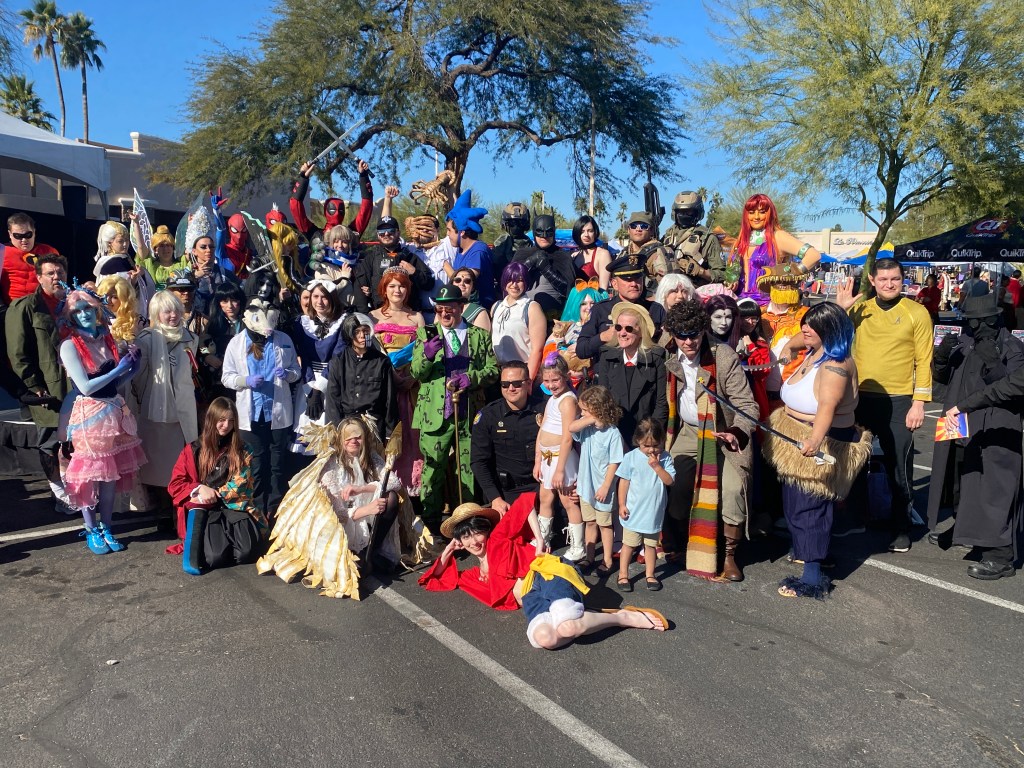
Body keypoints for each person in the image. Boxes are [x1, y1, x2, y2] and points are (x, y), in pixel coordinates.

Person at [418, 494, 667, 648]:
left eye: (476, 533)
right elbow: (436, 579)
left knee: (568, 624)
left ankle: (622, 617)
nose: (474, 542)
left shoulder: (499, 540)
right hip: (532, 597)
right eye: (466, 538)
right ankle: (585, 617)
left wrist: (539, 539)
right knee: (545, 639)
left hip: (546, 574)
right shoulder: (475, 576)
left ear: (487, 530)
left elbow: (525, 503)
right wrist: (449, 549)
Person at [762, 303, 870, 598]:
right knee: (794, 503)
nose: (805, 329)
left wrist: (814, 440)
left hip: (821, 438)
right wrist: (790, 349)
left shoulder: (835, 366)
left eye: (813, 326)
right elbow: (798, 338)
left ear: (830, 331)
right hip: (794, 433)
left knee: (810, 507)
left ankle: (812, 577)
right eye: (805, 323)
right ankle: (811, 553)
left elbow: (826, 408)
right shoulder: (815, 347)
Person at [837, 258, 932, 553]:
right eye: (883, 279)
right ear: (872, 279)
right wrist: (841, 309)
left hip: (899, 401)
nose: (889, 284)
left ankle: (901, 527)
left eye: (895, 279)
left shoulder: (917, 313)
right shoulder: (860, 309)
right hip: (859, 398)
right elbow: (832, 336)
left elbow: (924, 360)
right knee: (853, 462)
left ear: (903, 279)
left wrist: (919, 403)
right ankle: (854, 518)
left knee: (898, 467)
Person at [927, 293, 1023, 580]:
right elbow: (943, 379)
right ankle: (966, 531)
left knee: (996, 487)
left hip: (996, 425)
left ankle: (1000, 555)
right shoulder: (967, 342)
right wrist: (942, 356)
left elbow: (1013, 387)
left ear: (991, 319)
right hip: (962, 423)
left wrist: (994, 363)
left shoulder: (1011, 346)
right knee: (962, 479)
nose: (971, 326)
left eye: (975, 321)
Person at [662, 300, 755, 581]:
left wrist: (736, 433)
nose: (688, 341)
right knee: (672, 481)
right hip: (688, 431)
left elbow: (748, 406)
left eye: (694, 333)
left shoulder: (723, 356)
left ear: (704, 330)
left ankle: (728, 555)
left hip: (725, 433)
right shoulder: (666, 354)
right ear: (672, 333)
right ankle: (680, 541)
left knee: (731, 490)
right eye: (682, 335)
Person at [57, 289, 145, 554]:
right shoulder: (69, 345)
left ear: (96, 309)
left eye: (87, 308)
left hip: (113, 411)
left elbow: (113, 384)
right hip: (89, 416)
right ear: (71, 316)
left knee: (109, 478)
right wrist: (119, 369)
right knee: (89, 477)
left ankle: (106, 527)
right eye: (78, 311)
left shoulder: (106, 338)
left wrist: (134, 369)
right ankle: (91, 529)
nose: (84, 314)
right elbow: (84, 387)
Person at [411, 284, 498, 533]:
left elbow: (493, 370)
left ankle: (466, 524)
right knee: (432, 469)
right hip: (435, 416)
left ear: (461, 307)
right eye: (440, 309)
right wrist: (427, 356)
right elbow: (416, 372)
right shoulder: (426, 334)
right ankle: (432, 524)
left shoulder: (479, 335)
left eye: (450, 308)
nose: (445, 313)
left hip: (468, 414)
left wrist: (471, 378)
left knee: (469, 469)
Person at [168, 396, 267, 575]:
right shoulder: (193, 449)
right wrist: (198, 488)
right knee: (215, 557)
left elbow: (241, 484)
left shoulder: (244, 449)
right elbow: (175, 484)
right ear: (211, 420)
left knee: (247, 553)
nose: (226, 425)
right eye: (221, 420)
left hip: (236, 506)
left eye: (230, 420)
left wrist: (215, 492)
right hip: (208, 509)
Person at [6, 254, 73, 511]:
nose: (57, 277)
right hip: (47, 389)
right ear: (39, 277)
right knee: (49, 443)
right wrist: (33, 387)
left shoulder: (73, 303)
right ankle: (59, 493)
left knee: (74, 442)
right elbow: (17, 354)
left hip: (76, 386)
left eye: (60, 272)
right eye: (50, 274)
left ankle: (76, 490)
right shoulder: (25, 307)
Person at [221, 297, 301, 515]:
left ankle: (274, 511)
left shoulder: (283, 339)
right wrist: (244, 381)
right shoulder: (236, 343)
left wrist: (288, 374)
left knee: (277, 466)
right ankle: (256, 510)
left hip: (277, 416)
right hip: (251, 416)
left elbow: (296, 371)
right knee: (256, 466)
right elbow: (226, 377)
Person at [131, 290, 200, 525]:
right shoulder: (147, 338)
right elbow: (139, 376)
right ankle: (163, 510)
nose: (173, 315)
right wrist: (146, 400)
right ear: (156, 313)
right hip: (157, 409)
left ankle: (179, 508)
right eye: (167, 311)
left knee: (184, 460)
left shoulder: (191, 337)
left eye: (176, 310)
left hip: (184, 407)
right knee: (160, 464)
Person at [318, 417, 404, 575]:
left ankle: (371, 551)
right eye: (348, 438)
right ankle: (360, 555)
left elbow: (394, 482)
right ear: (340, 440)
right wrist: (367, 509)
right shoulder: (331, 465)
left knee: (391, 497)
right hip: (343, 526)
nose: (354, 441)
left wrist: (361, 489)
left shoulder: (371, 457)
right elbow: (337, 514)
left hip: (367, 521)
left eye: (358, 437)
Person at [370, 268, 425, 491]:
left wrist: (411, 377)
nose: (397, 290)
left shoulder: (417, 317)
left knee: (412, 437)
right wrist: (390, 377)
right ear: (384, 288)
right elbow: (373, 353)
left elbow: (424, 351)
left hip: (411, 387)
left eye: (401, 285)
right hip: (385, 386)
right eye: (392, 285)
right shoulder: (372, 316)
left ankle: (412, 486)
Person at [470, 360, 544, 515]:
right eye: (505, 384)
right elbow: (478, 462)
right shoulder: (488, 416)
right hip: (507, 494)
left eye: (517, 383)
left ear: (528, 383)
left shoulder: (545, 409)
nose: (511, 388)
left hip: (542, 488)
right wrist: (494, 498)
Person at [726, 193, 822, 306]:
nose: (756, 217)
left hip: (768, 306)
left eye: (762, 212)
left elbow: (813, 255)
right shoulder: (741, 241)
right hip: (739, 305)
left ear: (770, 214)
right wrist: (731, 280)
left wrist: (787, 274)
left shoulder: (778, 237)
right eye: (751, 212)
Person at [592, 302, 668, 443]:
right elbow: (603, 398)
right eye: (619, 327)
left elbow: (661, 402)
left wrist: (652, 435)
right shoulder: (607, 356)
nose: (622, 333)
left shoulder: (657, 358)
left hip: (645, 435)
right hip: (615, 432)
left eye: (628, 328)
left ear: (640, 332)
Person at [569, 386, 624, 575]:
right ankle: (590, 557)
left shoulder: (612, 433)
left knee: (605, 524)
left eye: (585, 409)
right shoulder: (586, 428)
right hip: (586, 486)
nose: (581, 413)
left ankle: (607, 560)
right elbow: (571, 428)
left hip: (603, 488)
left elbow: (615, 462)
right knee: (590, 522)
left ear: (598, 408)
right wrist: (589, 418)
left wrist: (606, 486)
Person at [616, 418, 675, 592]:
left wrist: (657, 467)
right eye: (646, 446)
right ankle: (623, 574)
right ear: (637, 441)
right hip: (633, 512)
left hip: (654, 513)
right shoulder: (631, 457)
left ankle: (650, 574)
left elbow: (669, 481)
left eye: (656, 445)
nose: (651, 450)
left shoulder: (665, 458)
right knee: (628, 545)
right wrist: (621, 504)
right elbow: (624, 482)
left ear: (662, 442)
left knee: (650, 545)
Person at [534, 353, 584, 559]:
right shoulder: (552, 399)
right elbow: (543, 428)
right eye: (546, 380)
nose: (551, 385)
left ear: (565, 377)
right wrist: (537, 460)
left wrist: (561, 469)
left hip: (561, 458)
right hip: (546, 457)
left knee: (568, 501)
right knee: (545, 498)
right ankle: (542, 539)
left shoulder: (567, 401)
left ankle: (578, 547)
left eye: (555, 380)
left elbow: (567, 438)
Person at [575, 252, 666, 361]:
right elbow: (581, 350)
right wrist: (603, 336)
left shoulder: (655, 309)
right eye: (627, 279)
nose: (634, 284)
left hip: (645, 372)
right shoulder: (601, 309)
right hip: (608, 372)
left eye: (637, 278)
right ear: (614, 284)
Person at [290, 279, 346, 456]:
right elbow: (303, 357)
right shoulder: (301, 323)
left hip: (332, 382)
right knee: (306, 433)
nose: (319, 302)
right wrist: (310, 389)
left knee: (329, 437)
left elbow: (337, 358)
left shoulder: (343, 323)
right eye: (315, 296)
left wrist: (319, 389)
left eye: (324, 297)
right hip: (308, 381)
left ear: (332, 299)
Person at [325, 314, 399, 442]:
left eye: (365, 331)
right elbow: (333, 400)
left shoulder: (382, 362)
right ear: (349, 334)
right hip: (347, 426)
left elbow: (389, 400)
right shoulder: (338, 361)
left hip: (374, 427)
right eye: (356, 332)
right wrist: (336, 432)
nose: (361, 336)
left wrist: (390, 434)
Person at [353, 216, 434, 313]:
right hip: (380, 314)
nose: (386, 234)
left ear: (398, 233)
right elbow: (359, 288)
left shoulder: (410, 257)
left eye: (390, 231)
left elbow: (429, 284)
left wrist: (414, 272)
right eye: (382, 232)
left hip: (408, 315)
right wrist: (365, 316)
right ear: (378, 235)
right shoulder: (371, 258)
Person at [290, 159, 374, 244]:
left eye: (341, 210)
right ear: (326, 211)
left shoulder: (351, 234)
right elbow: (295, 206)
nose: (337, 213)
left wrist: (364, 176)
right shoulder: (315, 235)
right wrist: (303, 178)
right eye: (332, 210)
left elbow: (366, 209)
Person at [490, 261, 546, 382]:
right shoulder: (496, 306)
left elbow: (537, 349)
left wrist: (528, 381)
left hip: (521, 372)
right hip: (498, 371)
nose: (514, 285)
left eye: (519, 280)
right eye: (510, 280)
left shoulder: (531, 307)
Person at [513, 214, 577, 317]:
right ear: (534, 232)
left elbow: (569, 290)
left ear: (554, 232)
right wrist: (528, 263)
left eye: (548, 231)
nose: (544, 236)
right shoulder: (522, 254)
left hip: (552, 317)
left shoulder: (563, 256)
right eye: (539, 231)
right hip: (520, 315)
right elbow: (509, 281)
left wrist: (547, 270)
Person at [660, 191, 726, 287]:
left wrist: (700, 271)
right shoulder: (667, 236)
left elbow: (722, 275)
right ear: (675, 212)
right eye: (681, 212)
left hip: (695, 291)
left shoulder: (707, 238)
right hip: (667, 289)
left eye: (689, 212)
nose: (684, 215)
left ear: (697, 213)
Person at [442, 189, 494, 306]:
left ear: (462, 232)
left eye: (449, 230)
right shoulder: (460, 250)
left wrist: (444, 264)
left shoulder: (478, 251)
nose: (447, 234)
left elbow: (464, 282)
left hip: (478, 312)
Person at [2, 212, 59, 304]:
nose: (24, 240)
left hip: (44, 305)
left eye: (28, 235)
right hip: (15, 306)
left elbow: (60, 280)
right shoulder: (2, 252)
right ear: (10, 234)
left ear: (34, 232)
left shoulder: (49, 251)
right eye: (18, 236)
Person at [201, 282, 246, 399]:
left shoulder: (249, 323)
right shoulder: (213, 324)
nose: (230, 306)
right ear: (219, 304)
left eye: (234, 300)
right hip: (220, 380)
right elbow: (201, 345)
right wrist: (207, 356)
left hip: (244, 377)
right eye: (224, 301)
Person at [619, 211, 674, 290]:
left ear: (651, 230)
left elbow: (669, 289)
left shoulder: (658, 253)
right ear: (628, 230)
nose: (638, 229)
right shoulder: (624, 253)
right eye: (634, 226)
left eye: (644, 226)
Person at [490, 202, 533, 296]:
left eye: (520, 223)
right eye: (512, 223)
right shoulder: (500, 243)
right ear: (505, 224)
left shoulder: (530, 245)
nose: (516, 227)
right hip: (501, 292)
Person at [569, 215, 613, 290]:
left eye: (590, 231)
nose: (586, 235)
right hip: (575, 300)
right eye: (582, 231)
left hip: (595, 301)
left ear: (595, 233)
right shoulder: (573, 256)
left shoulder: (602, 254)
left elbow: (603, 289)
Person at [96, 275, 141, 345]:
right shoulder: (95, 319)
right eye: (104, 296)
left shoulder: (136, 321)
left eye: (114, 297)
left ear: (125, 299)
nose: (107, 300)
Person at [449, 267, 491, 332]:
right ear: (452, 283)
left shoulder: (479, 312)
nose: (462, 283)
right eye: (458, 280)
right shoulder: (442, 308)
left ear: (473, 287)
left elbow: (481, 340)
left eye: (467, 281)